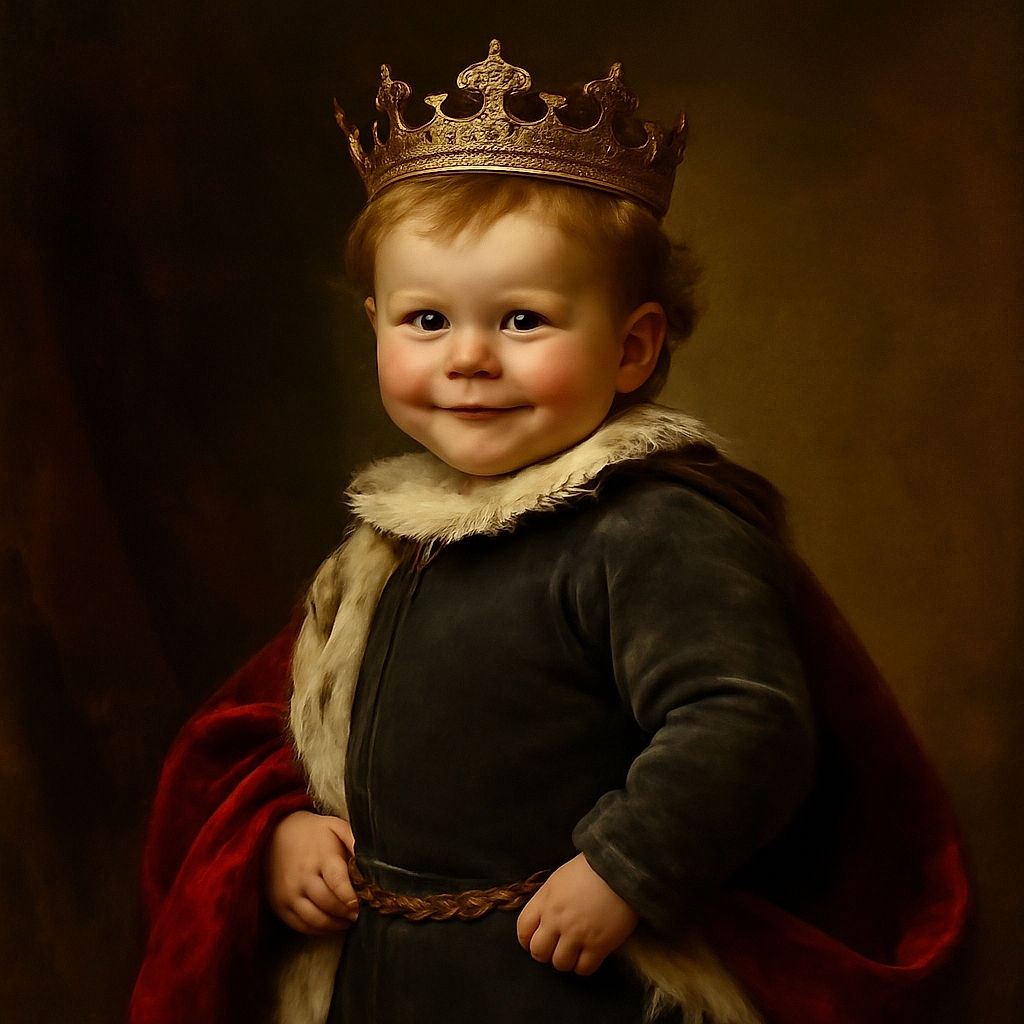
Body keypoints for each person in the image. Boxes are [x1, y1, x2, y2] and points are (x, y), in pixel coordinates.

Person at [130, 41, 968, 1024]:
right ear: (375, 325)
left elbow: (744, 721)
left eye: (523, 320)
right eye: (426, 319)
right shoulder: (388, 544)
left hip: (564, 979)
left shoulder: (651, 525)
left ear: (632, 347)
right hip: (384, 979)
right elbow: (311, 727)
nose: (470, 358)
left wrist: (627, 863)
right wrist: (285, 836)